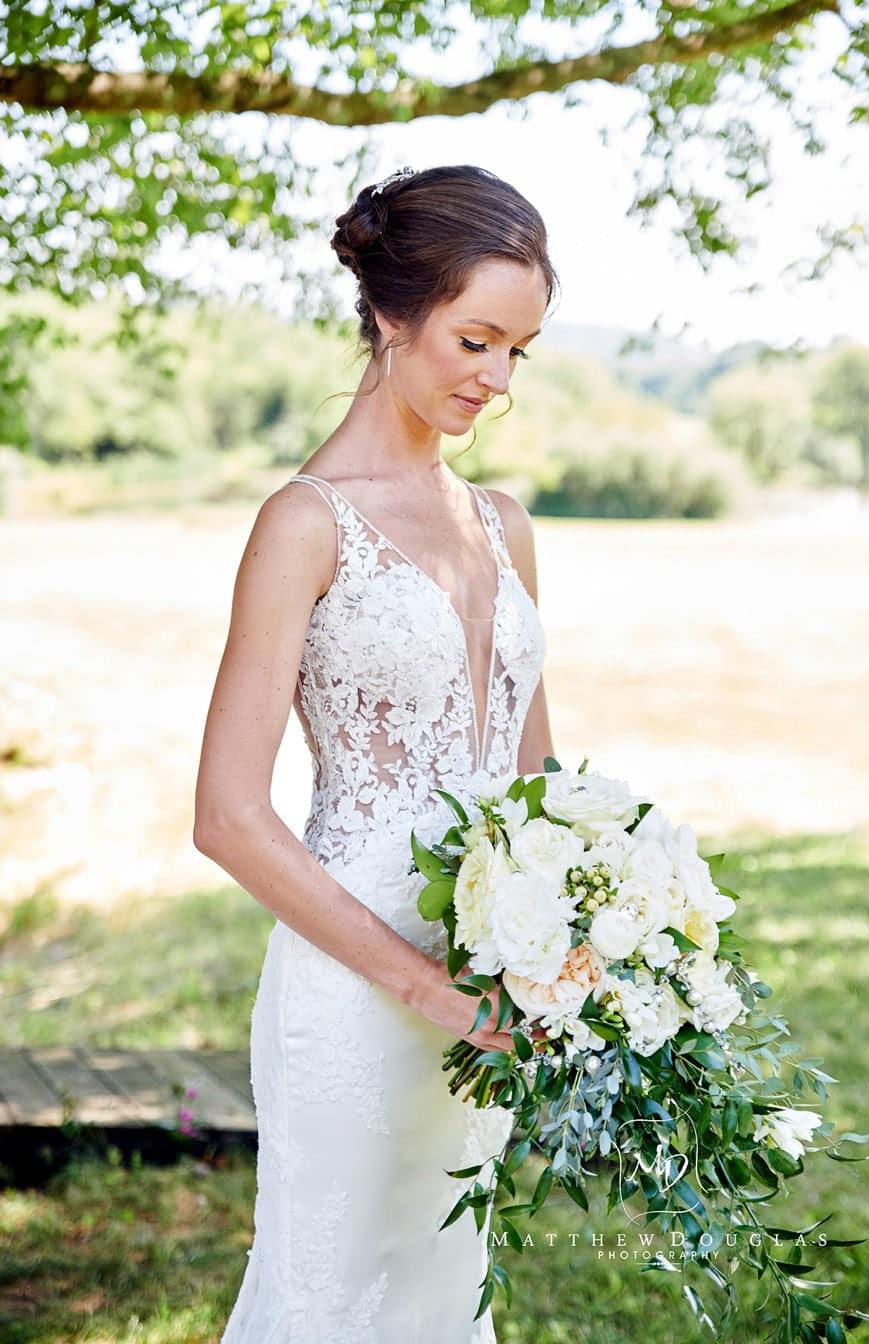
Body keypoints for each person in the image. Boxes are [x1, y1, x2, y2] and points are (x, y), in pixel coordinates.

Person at [194, 164, 556, 1339]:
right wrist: (416, 982)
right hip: (355, 984)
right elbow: (228, 815)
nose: (496, 380)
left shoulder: (505, 524)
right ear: (393, 316)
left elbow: (539, 782)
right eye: (475, 339)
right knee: (333, 1295)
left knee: (443, 1289)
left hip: (491, 981)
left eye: (519, 352)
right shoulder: (303, 524)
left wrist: (580, 941)